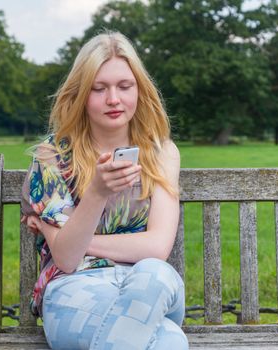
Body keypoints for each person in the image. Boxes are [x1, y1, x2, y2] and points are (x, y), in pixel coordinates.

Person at [20, 31, 188, 350]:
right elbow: (68, 260)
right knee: (169, 341)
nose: (114, 99)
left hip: (150, 288)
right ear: (81, 94)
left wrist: (74, 237)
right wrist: (97, 192)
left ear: (139, 89)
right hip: (73, 290)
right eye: (99, 89)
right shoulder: (52, 157)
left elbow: (157, 248)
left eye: (124, 87)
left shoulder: (162, 152)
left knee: (157, 272)